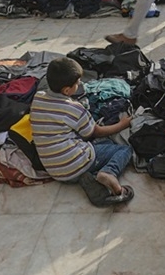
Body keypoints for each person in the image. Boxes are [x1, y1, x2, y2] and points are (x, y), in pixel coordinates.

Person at [31, 57, 134, 207]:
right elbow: (94, 132)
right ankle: (108, 173)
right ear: (67, 90)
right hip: (74, 162)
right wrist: (122, 124)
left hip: (54, 170)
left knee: (98, 145)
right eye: (77, 83)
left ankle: (86, 177)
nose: (79, 84)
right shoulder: (74, 108)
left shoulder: (37, 98)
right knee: (124, 149)